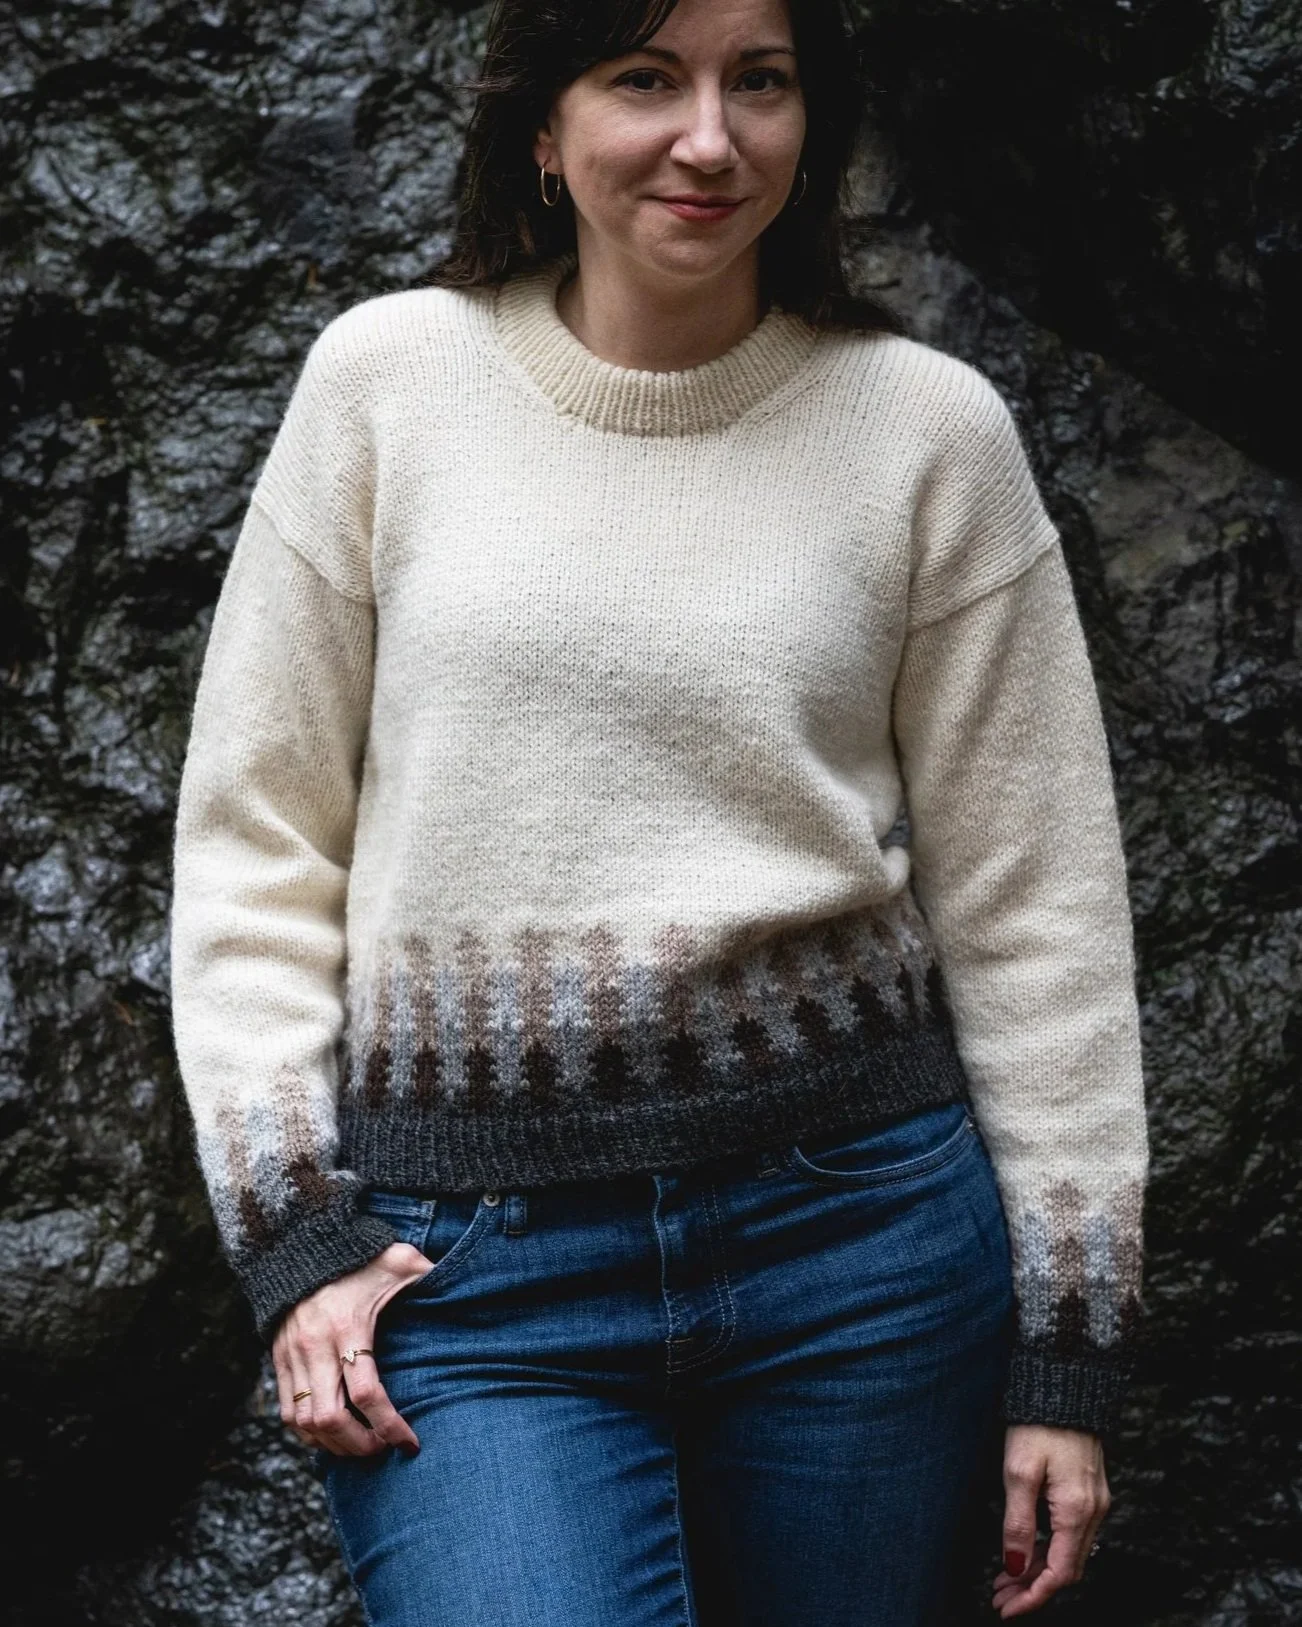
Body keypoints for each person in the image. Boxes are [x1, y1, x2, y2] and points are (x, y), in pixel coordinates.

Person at [168, 0, 1149, 1622]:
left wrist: (1068, 1352)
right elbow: (255, 849)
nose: (709, 137)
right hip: (468, 1272)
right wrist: (295, 1236)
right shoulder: (385, 387)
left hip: (861, 1255)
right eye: (644, 79)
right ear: (539, 129)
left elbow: (1035, 911)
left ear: (811, 126)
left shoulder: (926, 431)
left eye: (759, 82)